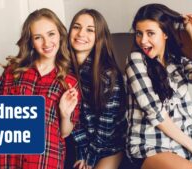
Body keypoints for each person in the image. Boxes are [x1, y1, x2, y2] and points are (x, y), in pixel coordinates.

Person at [0, 8, 81, 169]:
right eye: (38, 37)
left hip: (45, 163)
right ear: (31, 41)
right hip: (8, 161)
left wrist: (65, 114)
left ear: (60, 34)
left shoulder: (69, 80)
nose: (47, 43)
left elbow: (64, 133)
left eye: (51, 34)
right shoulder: (13, 72)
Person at [125, 3, 192, 169]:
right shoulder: (136, 60)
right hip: (151, 147)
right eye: (139, 33)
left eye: (150, 33)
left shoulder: (176, 61)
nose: (143, 40)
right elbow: (156, 113)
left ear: (165, 33)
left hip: (181, 149)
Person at [66, 9, 126, 169]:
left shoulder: (107, 74)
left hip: (111, 144)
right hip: (83, 143)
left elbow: (107, 127)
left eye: (90, 30)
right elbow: (75, 120)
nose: (81, 33)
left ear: (99, 37)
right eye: (76, 27)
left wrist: (89, 160)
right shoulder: (65, 71)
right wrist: (81, 153)